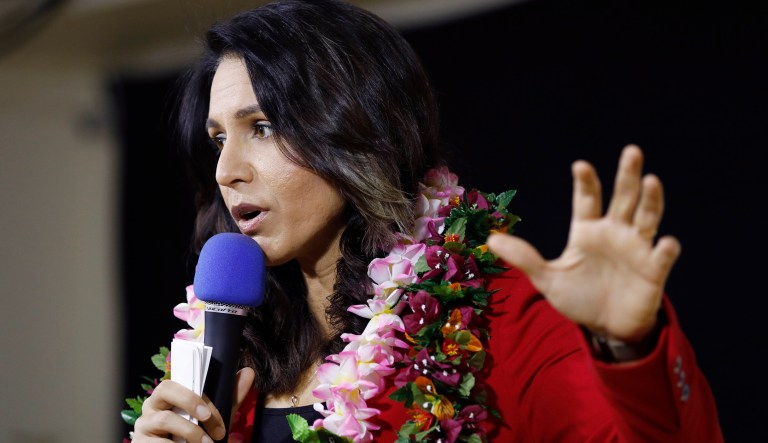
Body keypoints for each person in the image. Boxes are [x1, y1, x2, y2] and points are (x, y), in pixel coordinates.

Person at [132, 1, 723, 442]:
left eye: (261, 127)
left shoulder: (500, 317)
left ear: (357, 129)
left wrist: (629, 349)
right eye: (217, 140)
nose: (226, 170)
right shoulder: (228, 350)